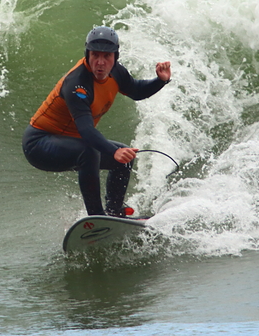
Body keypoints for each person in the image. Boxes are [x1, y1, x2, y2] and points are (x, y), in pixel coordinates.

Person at [22, 26, 171, 217]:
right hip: (39, 144)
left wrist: (160, 81)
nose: (100, 63)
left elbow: (136, 90)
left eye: (107, 56)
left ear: (115, 57)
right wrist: (113, 151)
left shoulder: (116, 73)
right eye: (95, 55)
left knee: (125, 158)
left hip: (71, 141)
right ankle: (97, 216)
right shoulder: (78, 83)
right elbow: (86, 130)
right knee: (90, 151)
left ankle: (114, 211)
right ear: (87, 54)